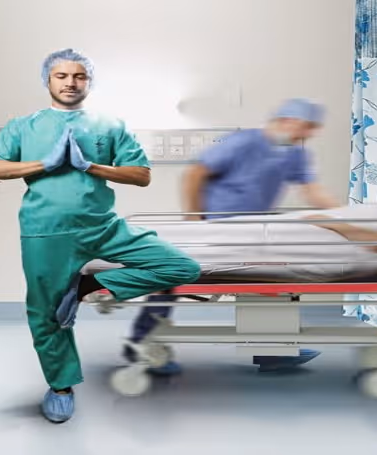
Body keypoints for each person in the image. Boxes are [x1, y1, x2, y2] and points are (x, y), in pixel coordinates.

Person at [0, 49, 201, 423]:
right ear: (47, 81)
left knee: (181, 266)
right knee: (45, 315)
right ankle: (61, 387)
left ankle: (84, 288)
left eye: (79, 76)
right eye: (61, 76)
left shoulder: (110, 125)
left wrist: (92, 166)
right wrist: (44, 164)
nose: (70, 82)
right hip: (45, 231)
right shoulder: (24, 126)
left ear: (89, 82)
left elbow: (141, 174)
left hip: (102, 226)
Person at [127, 98, 341, 375]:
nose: (310, 134)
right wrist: (194, 219)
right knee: (172, 277)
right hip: (216, 226)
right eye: (307, 126)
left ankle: (274, 350)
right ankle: (139, 342)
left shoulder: (296, 154)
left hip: (252, 230)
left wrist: (346, 214)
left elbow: (312, 191)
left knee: (276, 275)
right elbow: (195, 173)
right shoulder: (243, 142)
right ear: (286, 120)